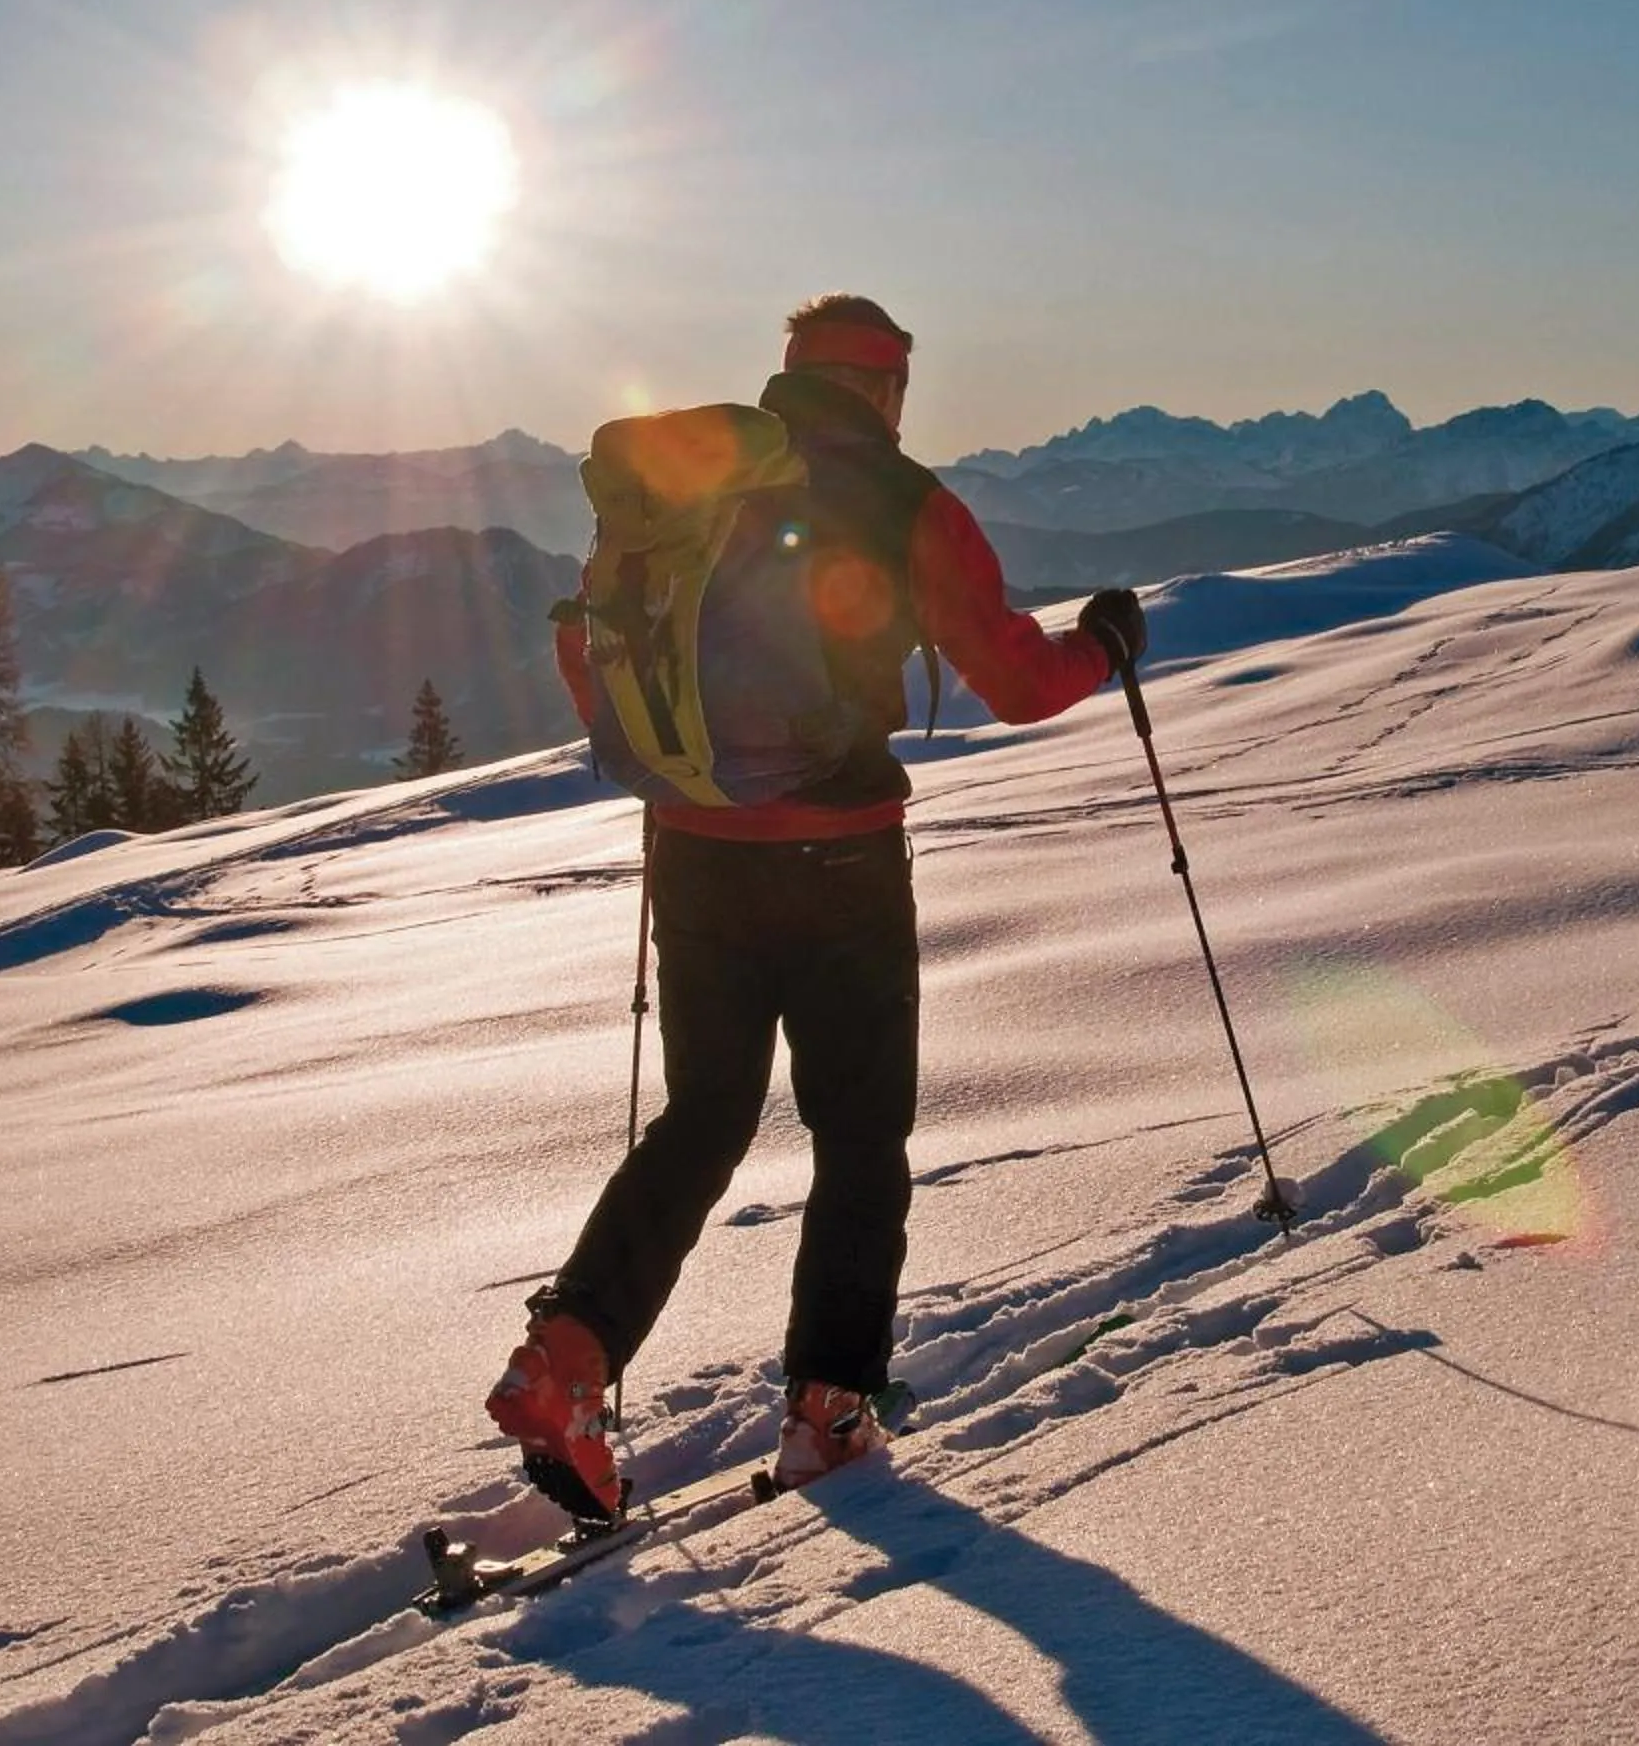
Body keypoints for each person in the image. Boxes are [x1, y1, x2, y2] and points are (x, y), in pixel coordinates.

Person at [487, 293, 1148, 1519]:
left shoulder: (679, 486)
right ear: (889, 387)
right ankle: (829, 1409)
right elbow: (1009, 678)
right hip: (841, 862)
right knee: (856, 1139)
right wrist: (1105, 649)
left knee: (703, 1119)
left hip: (693, 854)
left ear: (791, 377)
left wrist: (690, 772)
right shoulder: (905, 505)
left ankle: (565, 1362)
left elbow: (595, 658)